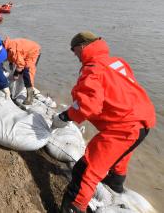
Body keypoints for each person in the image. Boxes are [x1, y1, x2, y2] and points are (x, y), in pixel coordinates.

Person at [52, 31, 156, 213]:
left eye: (73, 49)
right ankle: (114, 188)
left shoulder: (92, 69)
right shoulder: (117, 62)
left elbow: (88, 105)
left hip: (123, 128)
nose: (73, 54)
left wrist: (65, 117)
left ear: (82, 47)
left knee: (84, 171)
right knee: (119, 161)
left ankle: (75, 208)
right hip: (143, 121)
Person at [3, 37, 41, 105]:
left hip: (33, 52)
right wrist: (11, 63)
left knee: (27, 73)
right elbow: (13, 57)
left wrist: (16, 74)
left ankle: (30, 96)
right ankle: (14, 92)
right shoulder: (7, 46)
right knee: (19, 70)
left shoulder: (13, 51)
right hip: (25, 52)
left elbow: (20, 64)